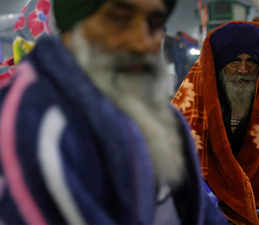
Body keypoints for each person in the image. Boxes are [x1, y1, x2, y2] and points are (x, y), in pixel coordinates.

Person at [0, 0, 228, 225]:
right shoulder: (35, 122)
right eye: (118, 18)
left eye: (154, 22)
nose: (141, 41)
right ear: (68, 28)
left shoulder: (160, 117)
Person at [172, 21, 259, 225]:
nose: (243, 69)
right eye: (234, 61)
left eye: (251, 61)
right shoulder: (194, 96)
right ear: (220, 64)